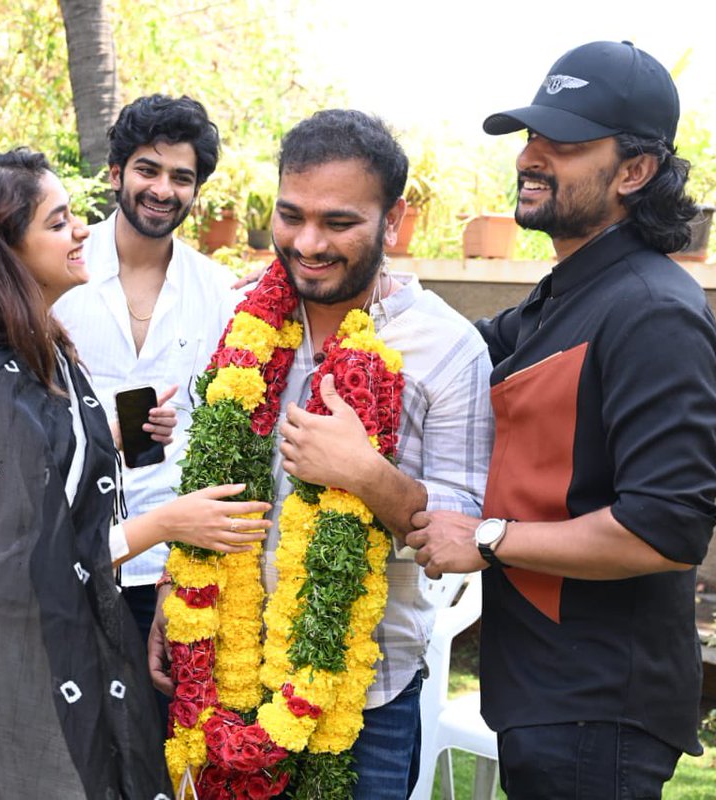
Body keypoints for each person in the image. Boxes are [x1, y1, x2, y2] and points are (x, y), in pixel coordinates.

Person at [0, 149, 269, 799]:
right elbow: (14, 557)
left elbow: (34, 477)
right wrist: (170, 523)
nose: (83, 232)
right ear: (3, 250)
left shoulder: (36, 346)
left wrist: (112, 438)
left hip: (43, 652)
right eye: (59, 220)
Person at [406, 41, 716, 798]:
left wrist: (486, 539)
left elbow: (670, 527)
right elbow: (458, 355)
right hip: (550, 699)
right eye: (531, 136)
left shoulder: (653, 311)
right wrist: (367, 295)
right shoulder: (568, 293)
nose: (532, 155)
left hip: (600, 712)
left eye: (566, 141)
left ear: (634, 172)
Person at [150, 110, 495, 798]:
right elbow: (198, 478)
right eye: (290, 215)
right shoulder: (237, 319)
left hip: (362, 700)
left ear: (392, 221)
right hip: (221, 666)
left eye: (339, 223)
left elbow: (460, 536)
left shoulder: (447, 349)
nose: (308, 243)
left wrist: (364, 474)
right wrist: (171, 588)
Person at [51, 94, 237, 652]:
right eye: (147, 170)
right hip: (65, 543)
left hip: (168, 561)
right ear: (116, 174)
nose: (162, 189)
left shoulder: (218, 292)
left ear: (196, 191)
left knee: (157, 732)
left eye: (181, 177)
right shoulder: (60, 269)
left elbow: (221, 428)